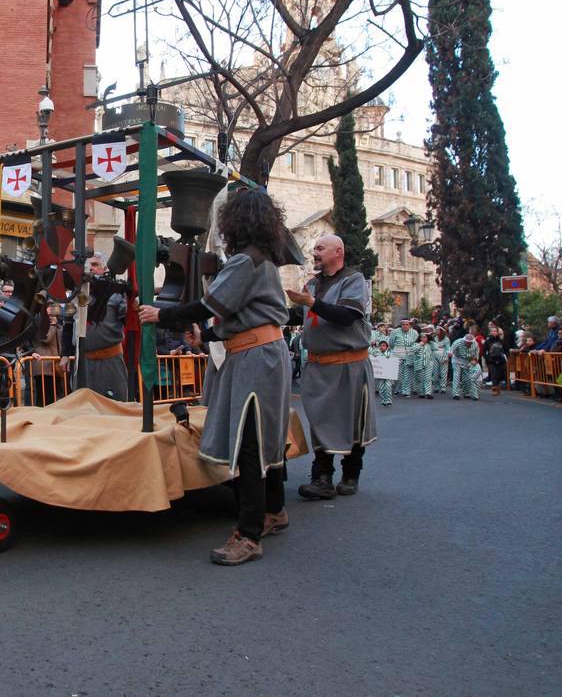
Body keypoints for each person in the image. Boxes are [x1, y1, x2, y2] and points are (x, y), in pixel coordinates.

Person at [139, 186, 293, 566]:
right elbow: (237, 315)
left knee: (251, 442)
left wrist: (163, 314)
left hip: (256, 357)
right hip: (262, 352)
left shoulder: (246, 261)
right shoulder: (263, 260)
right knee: (264, 435)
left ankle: (250, 533)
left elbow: (212, 305)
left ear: (236, 222)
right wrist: (205, 335)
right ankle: (274, 509)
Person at [289, 234, 376, 501]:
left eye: (320, 248)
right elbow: (299, 315)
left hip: (349, 364)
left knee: (352, 422)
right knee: (319, 421)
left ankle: (351, 474)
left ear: (338, 252)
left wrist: (311, 303)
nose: (315, 252)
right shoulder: (312, 284)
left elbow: (347, 317)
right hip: (318, 365)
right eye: (314, 248)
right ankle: (322, 478)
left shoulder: (354, 280)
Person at [74, 252, 131, 401]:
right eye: (88, 266)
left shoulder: (117, 294)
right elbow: (69, 325)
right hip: (83, 363)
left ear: (104, 268)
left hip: (110, 362)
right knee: (82, 411)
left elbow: (130, 321)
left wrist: (135, 304)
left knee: (114, 408)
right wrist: (65, 355)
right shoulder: (77, 293)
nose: (91, 269)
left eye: (95, 265)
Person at [451, 327, 481, 400]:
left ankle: (466, 392)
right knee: (457, 376)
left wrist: (475, 360)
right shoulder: (458, 342)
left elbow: (476, 354)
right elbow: (451, 349)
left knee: (467, 378)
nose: (469, 344)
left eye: (470, 342)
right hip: (457, 360)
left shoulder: (475, 344)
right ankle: (455, 394)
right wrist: (450, 353)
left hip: (467, 361)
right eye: (467, 342)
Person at [371, 337, 394, 406]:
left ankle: (389, 400)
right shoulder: (376, 353)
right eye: (380, 345)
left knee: (388, 386)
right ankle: (384, 400)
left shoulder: (390, 354)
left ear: (387, 346)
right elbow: (370, 354)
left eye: (384, 345)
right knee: (381, 388)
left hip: (388, 375)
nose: (382, 347)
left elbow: (395, 362)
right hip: (380, 375)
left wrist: (389, 359)